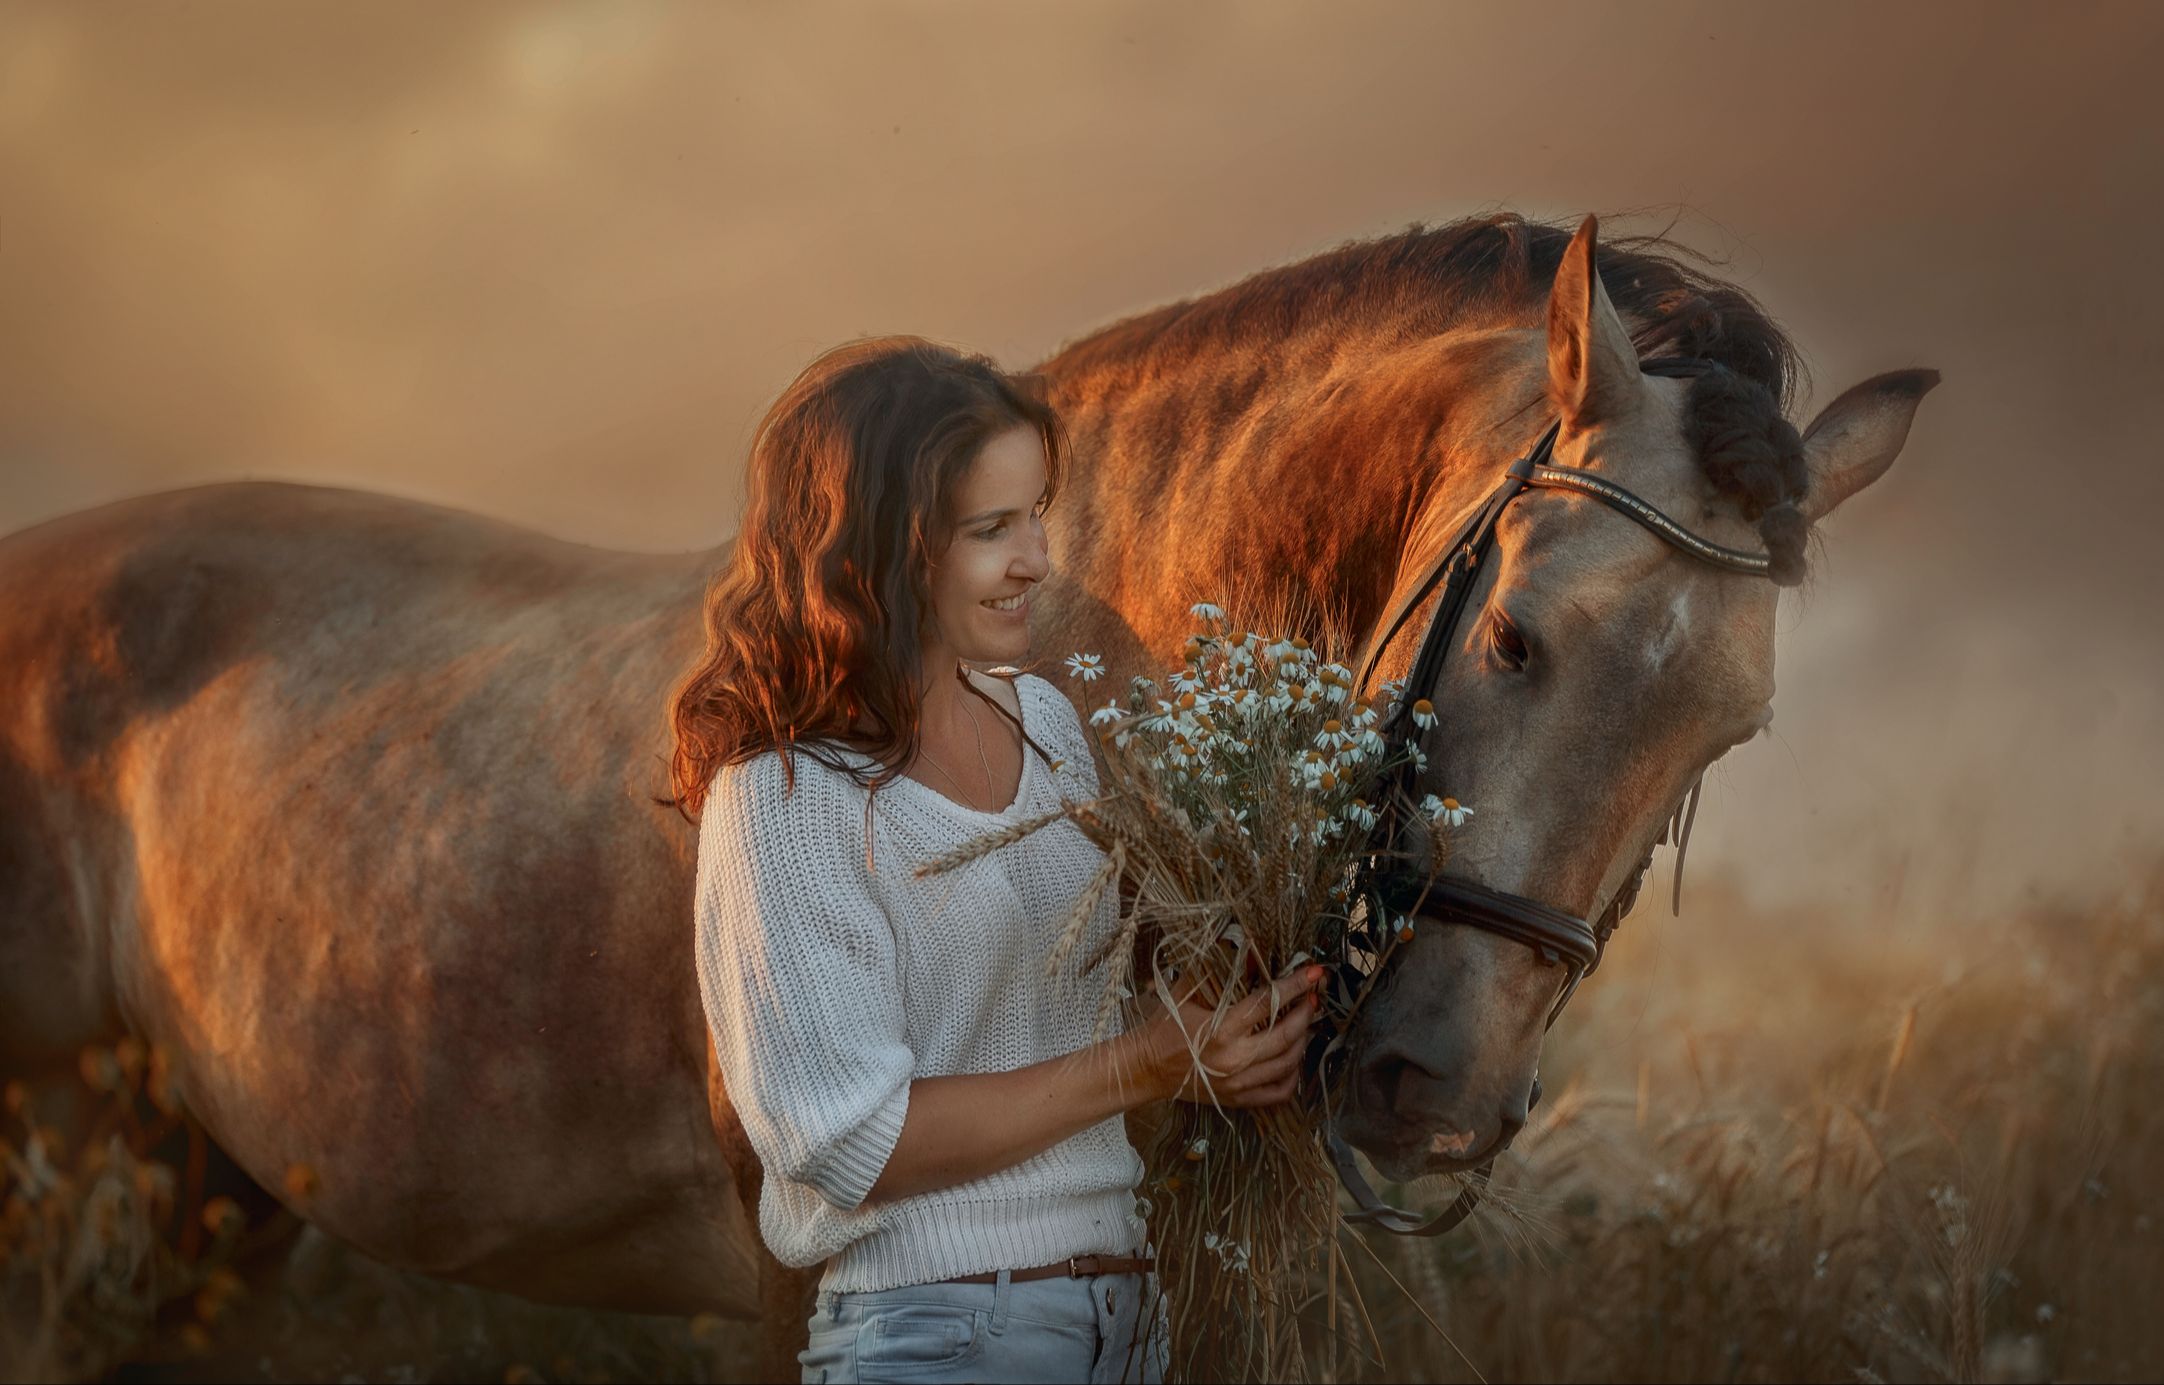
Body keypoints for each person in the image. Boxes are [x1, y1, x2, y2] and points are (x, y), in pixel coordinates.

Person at [669, 336, 1322, 1383]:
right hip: (932, 1335)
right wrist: (1143, 1061)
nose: (1036, 560)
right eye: (990, 530)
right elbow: (850, 1143)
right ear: (881, 548)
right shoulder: (785, 798)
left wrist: (1222, 1044)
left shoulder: (1053, 723)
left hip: (1127, 1319)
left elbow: (1074, 1017)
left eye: (1035, 515)